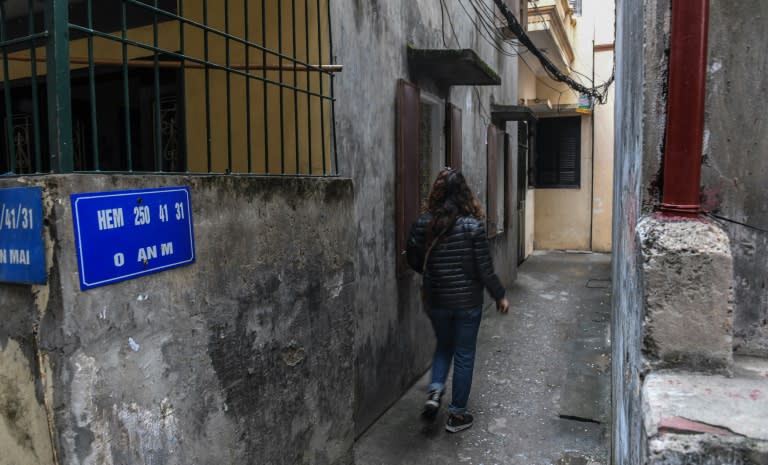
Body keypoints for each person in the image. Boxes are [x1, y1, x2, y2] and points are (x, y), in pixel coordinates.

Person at [407, 167, 510, 433]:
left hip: (436, 300)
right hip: (467, 304)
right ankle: (456, 416)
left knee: (443, 346)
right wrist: (499, 296)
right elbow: (484, 269)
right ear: (464, 193)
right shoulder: (472, 227)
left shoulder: (422, 223)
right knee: (464, 354)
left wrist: (434, 274)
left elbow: (414, 259)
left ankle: (434, 392)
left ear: (436, 192)